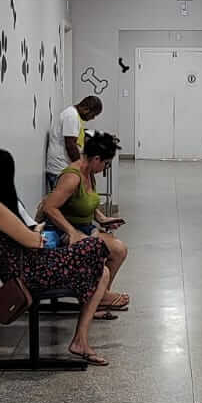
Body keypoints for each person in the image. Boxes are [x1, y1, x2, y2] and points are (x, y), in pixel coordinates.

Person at [0, 148, 115, 366]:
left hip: (30, 265)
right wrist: (37, 232)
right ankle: (99, 302)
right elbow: (31, 241)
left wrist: (36, 232)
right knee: (94, 247)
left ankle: (81, 339)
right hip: (27, 273)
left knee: (102, 271)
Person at [40, 130, 130, 312]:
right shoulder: (72, 177)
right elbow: (49, 207)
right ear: (96, 159)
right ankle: (97, 298)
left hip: (84, 227)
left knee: (119, 250)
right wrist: (72, 232)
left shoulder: (89, 173)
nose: (105, 168)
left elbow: (84, 201)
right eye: (106, 163)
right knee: (109, 249)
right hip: (63, 231)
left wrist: (102, 219)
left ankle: (99, 297)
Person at [46, 94, 104, 191]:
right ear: (86, 109)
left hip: (65, 168)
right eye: (93, 115)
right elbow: (71, 146)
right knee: (64, 200)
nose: (93, 118)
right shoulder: (71, 116)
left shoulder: (74, 115)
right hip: (60, 169)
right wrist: (82, 169)